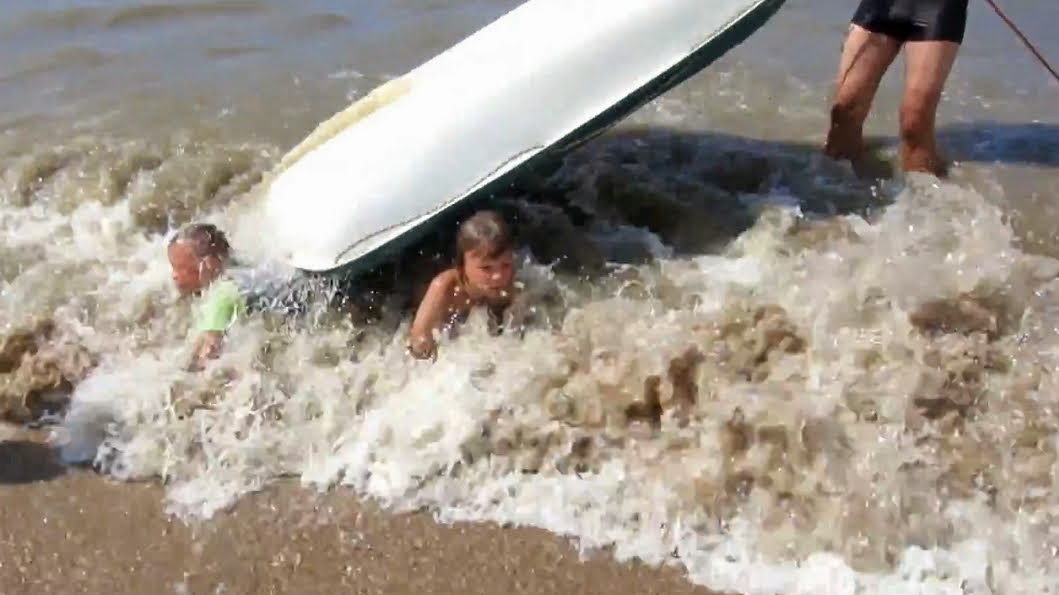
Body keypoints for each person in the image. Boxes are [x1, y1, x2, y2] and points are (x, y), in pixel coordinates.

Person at [824, 0, 968, 178]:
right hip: (880, 5)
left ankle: (926, 194)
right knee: (844, 111)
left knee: (914, 122)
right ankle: (843, 191)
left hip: (937, 7)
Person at [407, 210, 520, 360]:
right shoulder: (444, 288)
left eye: (505, 265)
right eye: (486, 268)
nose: (498, 275)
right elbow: (418, 339)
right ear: (461, 266)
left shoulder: (510, 283)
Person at [166, 223, 248, 370]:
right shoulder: (241, 272)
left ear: (209, 264)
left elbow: (209, 357)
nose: (174, 276)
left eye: (182, 268)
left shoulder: (221, 296)